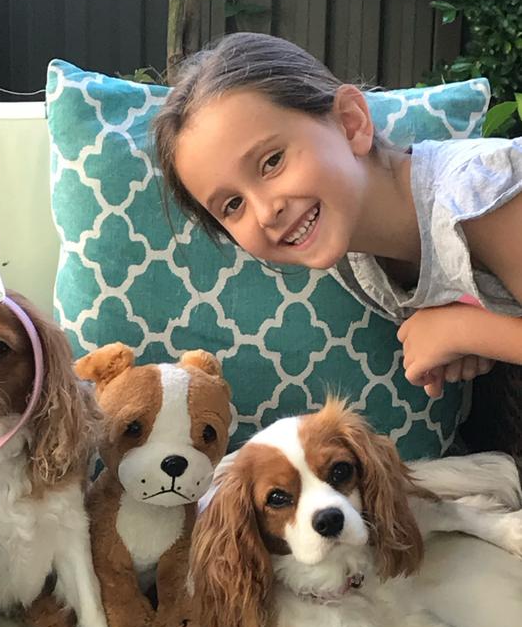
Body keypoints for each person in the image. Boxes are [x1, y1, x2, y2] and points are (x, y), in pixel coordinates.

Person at [153, 32, 522, 398]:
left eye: (272, 161)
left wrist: (464, 331)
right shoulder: (356, 261)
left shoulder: (479, 196)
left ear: (351, 122)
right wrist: (481, 338)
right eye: (233, 205)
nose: (266, 212)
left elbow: (459, 327)